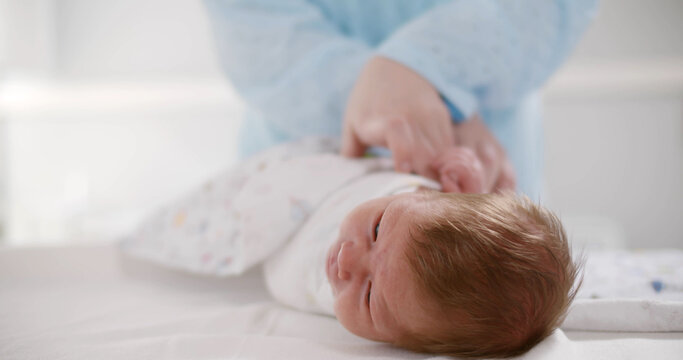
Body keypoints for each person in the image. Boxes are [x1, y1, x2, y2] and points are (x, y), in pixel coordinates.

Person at [122, 137, 579, 358]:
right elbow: (451, 202)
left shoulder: (317, 283)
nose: (344, 260)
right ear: (428, 196)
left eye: (367, 296)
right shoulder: (430, 197)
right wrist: (461, 177)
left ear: (409, 346)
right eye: (378, 229)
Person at [204, 0, 598, 198]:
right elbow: (257, 33)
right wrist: (432, 92)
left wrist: (422, 75)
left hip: (487, 183)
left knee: (480, 300)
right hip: (298, 183)